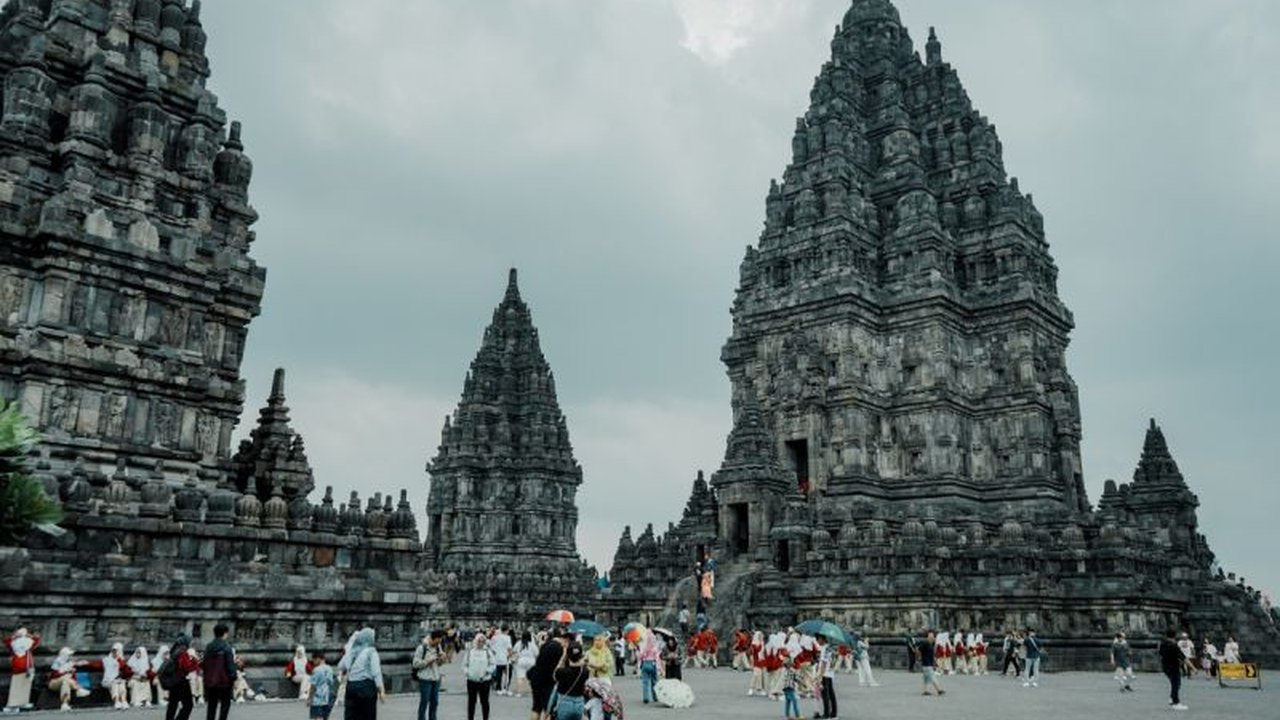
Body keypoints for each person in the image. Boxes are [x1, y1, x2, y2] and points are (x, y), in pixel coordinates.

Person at [337, 627, 385, 720]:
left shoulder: (352, 651)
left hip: (351, 687)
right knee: (367, 715)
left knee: (351, 716)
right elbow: (376, 673)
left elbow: (341, 665)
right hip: (366, 687)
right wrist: (381, 690)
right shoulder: (371, 652)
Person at [528, 629, 567, 720]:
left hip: (536, 679)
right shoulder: (559, 648)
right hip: (549, 682)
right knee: (548, 710)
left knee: (536, 707)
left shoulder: (545, 645)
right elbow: (560, 665)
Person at [203, 624, 237, 720]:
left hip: (211, 681)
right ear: (225, 633)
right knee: (225, 705)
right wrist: (233, 677)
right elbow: (230, 665)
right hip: (224, 681)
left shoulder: (209, 646)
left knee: (211, 705)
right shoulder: (227, 647)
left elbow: (205, 664)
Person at [163, 634, 201, 720]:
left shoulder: (174, 651)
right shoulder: (182, 652)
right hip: (181, 681)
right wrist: (195, 661)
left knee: (173, 704)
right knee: (188, 705)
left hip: (173, 680)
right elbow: (186, 667)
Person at [4, 628, 40, 712]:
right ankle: (14, 704)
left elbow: (6, 641)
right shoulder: (28, 642)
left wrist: (14, 636)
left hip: (19, 666)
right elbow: (36, 640)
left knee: (19, 686)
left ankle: (19, 703)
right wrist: (29, 636)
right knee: (23, 685)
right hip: (26, 666)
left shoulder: (13, 643)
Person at [413, 631, 444, 720]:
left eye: (440, 642)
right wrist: (427, 661)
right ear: (432, 639)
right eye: (437, 641)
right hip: (425, 678)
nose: (438, 644)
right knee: (424, 701)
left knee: (435, 702)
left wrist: (441, 659)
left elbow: (439, 664)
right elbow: (415, 664)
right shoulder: (422, 648)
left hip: (436, 678)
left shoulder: (438, 647)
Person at [463, 633, 495, 720]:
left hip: (484, 681)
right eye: (479, 641)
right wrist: (468, 673)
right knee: (471, 702)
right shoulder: (470, 651)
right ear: (476, 641)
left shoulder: (487, 651)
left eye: (482, 641)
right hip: (472, 680)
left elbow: (493, 664)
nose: (480, 643)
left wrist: (487, 671)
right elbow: (465, 664)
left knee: (484, 702)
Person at [553, 643, 589, 720]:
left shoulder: (562, 672)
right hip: (579, 703)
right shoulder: (585, 671)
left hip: (565, 702)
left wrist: (563, 657)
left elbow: (554, 676)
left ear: (568, 656)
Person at [48, 647, 91, 711]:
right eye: (69, 655)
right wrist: (65, 672)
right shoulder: (57, 662)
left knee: (66, 682)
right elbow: (54, 675)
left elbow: (73, 678)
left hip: (67, 682)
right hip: (54, 682)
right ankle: (78, 689)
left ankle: (65, 704)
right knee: (65, 678)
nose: (70, 656)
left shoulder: (70, 663)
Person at [1159, 629, 1188, 710]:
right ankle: (1176, 702)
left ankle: (1172, 698)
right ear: (1174, 636)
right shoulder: (1174, 646)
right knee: (1176, 684)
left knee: (1174, 684)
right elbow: (1183, 657)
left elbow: (1160, 653)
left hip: (1166, 666)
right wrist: (1193, 668)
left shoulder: (1163, 644)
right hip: (1174, 667)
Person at [813, 635, 837, 720]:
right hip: (830, 673)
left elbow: (823, 663)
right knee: (831, 693)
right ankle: (833, 713)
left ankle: (826, 714)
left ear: (822, 639)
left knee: (825, 694)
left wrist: (820, 676)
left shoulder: (825, 648)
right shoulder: (831, 648)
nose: (817, 641)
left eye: (818, 639)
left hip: (825, 673)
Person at [307, 653, 337, 720]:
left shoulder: (316, 670)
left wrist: (309, 698)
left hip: (317, 700)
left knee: (316, 718)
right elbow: (331, 683)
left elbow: (313, 686)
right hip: (327, 698)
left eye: (314, 660)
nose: (313, 662)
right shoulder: (330, 669)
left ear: (318, 659)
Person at [103, 642, 130, 710]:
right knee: (115, 684)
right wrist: (85, 663)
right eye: (113, 651)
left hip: (118, 680)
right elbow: (96, 664)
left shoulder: (121, 660)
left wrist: (120, 659)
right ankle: (117, 701)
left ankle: (123, 701)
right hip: (108, 681)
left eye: (116, 651)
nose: (114, 653)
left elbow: (126, 671)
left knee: (121, 684)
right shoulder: (106, 660)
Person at [917, 631, 944, 696]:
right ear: (928, 637)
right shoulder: (925, 643)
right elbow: (918, 650)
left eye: (932, 637)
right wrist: (919, 657)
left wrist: (934, 662)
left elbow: (931, 655)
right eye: (930, 636)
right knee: (932, 677)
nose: (932, 638)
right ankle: (939, 690)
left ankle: (924, 691)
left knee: (925, 679)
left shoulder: (930, 644)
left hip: (928, 663)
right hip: (926, 664)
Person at [636, 630, 660, 704]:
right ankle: (655, 697)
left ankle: (646, 697)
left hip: (645, 664)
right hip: (653, 664)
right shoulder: (655, 648)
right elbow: (657, 658)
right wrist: (660, 669)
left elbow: (640, 656)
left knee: (645, 682)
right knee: (654, 682)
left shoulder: (645, 647)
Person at [514, 631, 538, 699]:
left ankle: (519, 693)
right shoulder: (532, 644)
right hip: (531, 661)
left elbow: (514, 651)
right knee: (532, 677)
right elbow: (537, 653)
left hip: (521, 661)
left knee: (520, 677)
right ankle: (533, 691)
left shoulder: (519, 643)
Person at [491, 628, 513, 696]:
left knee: (499, 674)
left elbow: (493, 648)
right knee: (508, 674)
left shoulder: (495, 638)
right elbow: (509, 648)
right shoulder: (507, 637)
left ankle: (499, 689)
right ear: (507, 630)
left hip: (498, 658)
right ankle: (506, 688)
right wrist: (510, 655)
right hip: (506, 658)